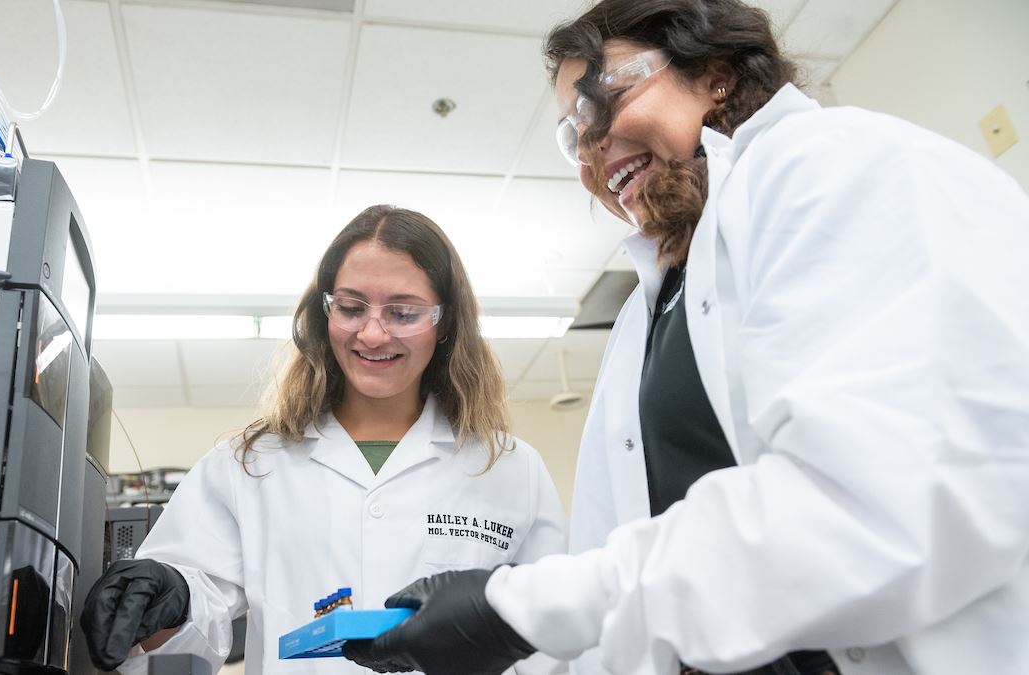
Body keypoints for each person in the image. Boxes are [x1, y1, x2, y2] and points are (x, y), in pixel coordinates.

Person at [341, 1, 1029, 674]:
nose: (591, 145)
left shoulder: (833, 166)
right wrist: (503, 633)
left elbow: (874, 503)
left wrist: (515, 608)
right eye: (573, 133)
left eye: (608, 95)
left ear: (717, 70)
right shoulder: (651, 309)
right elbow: (628, 572)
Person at [80, 204, 568, 675]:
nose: (373, 334)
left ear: (445, 324)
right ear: (323, 313)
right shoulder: (250, 463)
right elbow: (195, 617)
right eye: (352, 308)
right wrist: (172, 595)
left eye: (403, 312)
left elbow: (551, 639)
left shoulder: (509, 468)